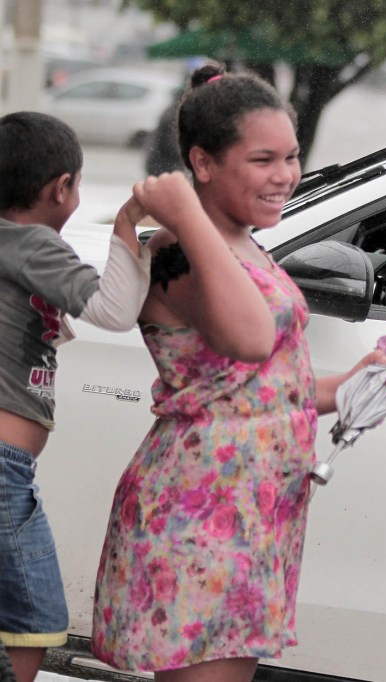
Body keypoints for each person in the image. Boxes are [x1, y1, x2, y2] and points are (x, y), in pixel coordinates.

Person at [90, 63, 386, 682]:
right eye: (263, 159)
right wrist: (186, 214)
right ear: (203, 163)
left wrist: (353, 384)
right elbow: (250, 337)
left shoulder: (239, 243)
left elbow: (258, 392)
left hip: (253, 507)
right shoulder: (179, 253)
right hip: (197, 509)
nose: (286, 176)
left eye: (291, 157)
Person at [0, 111, 152, 682]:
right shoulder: (35, 245)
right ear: (61, 187)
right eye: (79, 185)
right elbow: (115, 311)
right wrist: (127, 228)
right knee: (34, 617)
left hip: (10, 469)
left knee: (24, 616)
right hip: (5, 470)